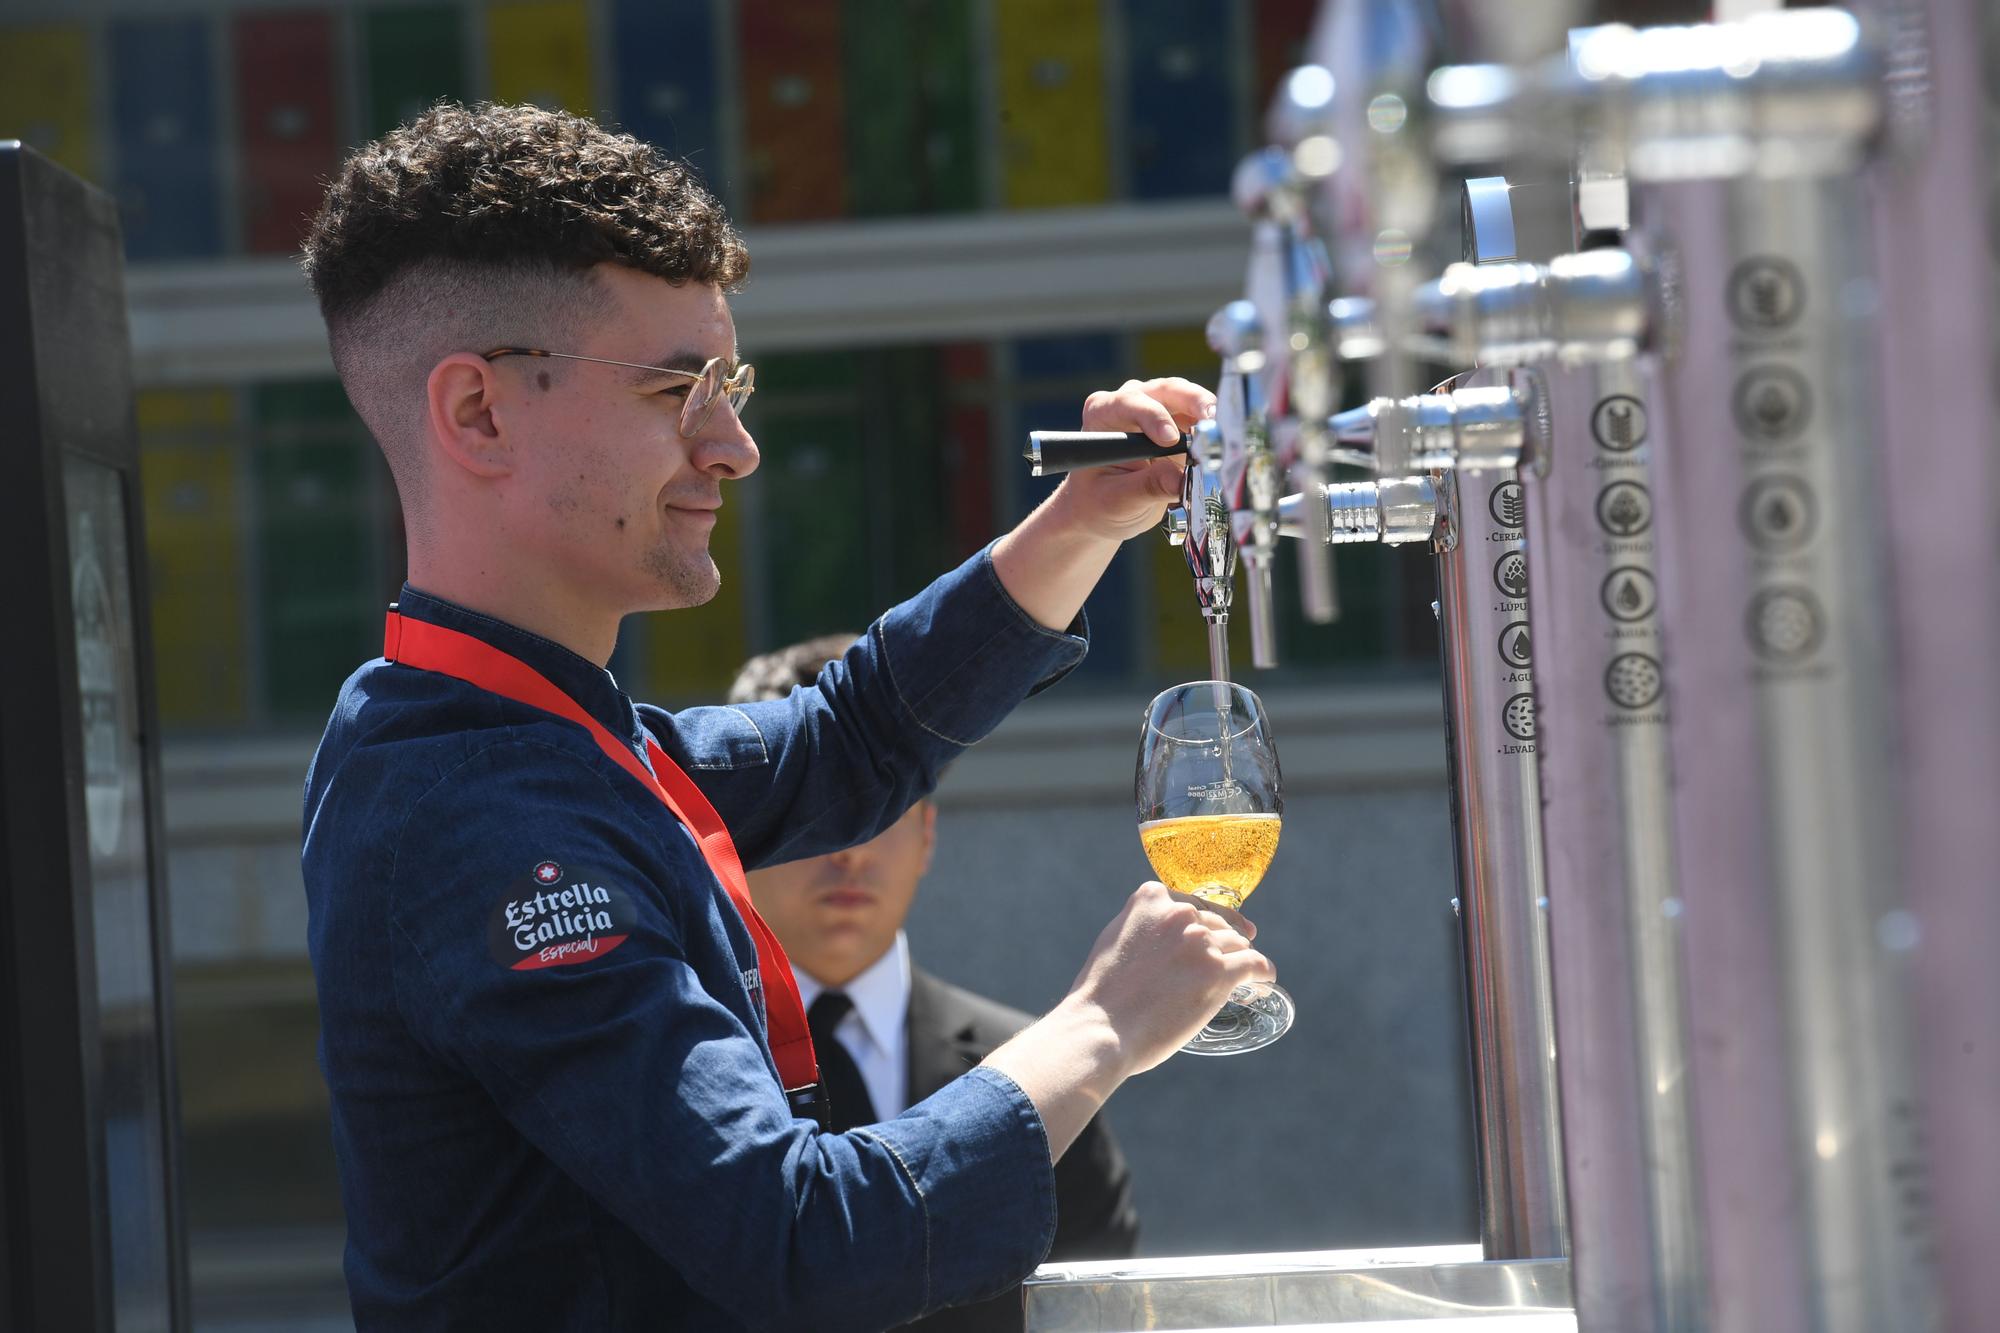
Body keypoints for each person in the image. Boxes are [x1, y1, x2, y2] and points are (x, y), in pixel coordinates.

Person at [299, 101, 1271, 1332]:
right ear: (478, 413)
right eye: (675, 389)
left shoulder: (517, 726)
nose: (735, 445)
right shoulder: (479, 819)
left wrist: (1083, 515)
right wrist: (1100, 1024)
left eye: (731, 385)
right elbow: (803, 1240)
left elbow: (846, 742)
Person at [728, 637, 1140, 1330]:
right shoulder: (684, 1073)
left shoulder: (1044, 1069)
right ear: (739, 833)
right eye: (811, 817)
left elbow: (1102, 1312)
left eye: (880, 810)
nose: (851, 853)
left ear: (927, 831)